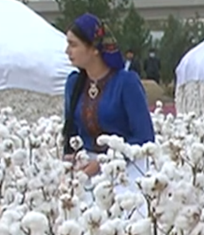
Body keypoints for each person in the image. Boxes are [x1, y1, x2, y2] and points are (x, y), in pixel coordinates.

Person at [62, 13, 156, 191]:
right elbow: (71, 133)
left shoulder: (126, 83)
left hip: (125, 171)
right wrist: (70, 164)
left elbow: (144, 137)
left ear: (94, 49)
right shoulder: (74, 84)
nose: (68, 51)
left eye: (73, 45)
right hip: (84, 172)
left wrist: (102, 163)